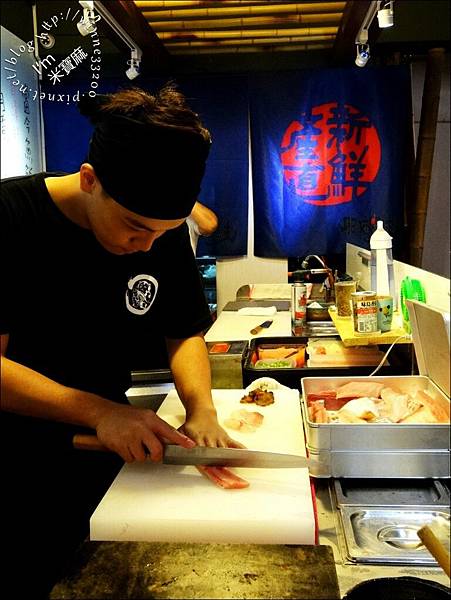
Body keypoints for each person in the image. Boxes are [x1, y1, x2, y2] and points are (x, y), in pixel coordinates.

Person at [0, 84, 241, 598]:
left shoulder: (160, 229)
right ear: (90, 180)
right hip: (13, 470)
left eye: (163, 231)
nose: (146, 245)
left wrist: (202, 409)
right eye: (136, 227)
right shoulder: (9, 217)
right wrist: (101, 412)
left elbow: (183, 331)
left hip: (104, 459)